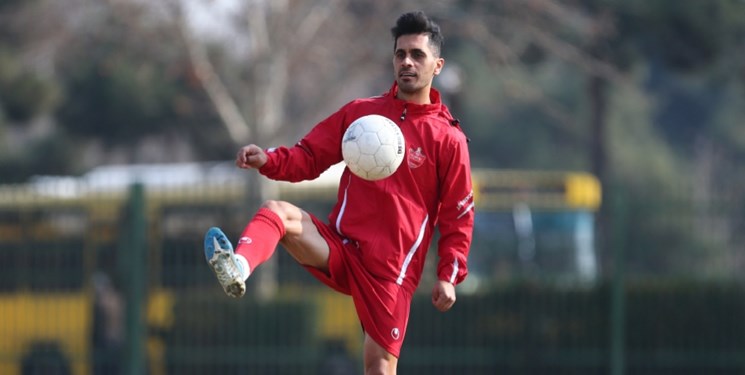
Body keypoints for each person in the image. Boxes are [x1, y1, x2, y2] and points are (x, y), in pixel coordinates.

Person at [203, 10, 474, 375]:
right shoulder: (362, 114)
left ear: (437, 65)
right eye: (400, 54)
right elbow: (311, 155)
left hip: (390, 273)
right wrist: (268, 160)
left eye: (417, 55)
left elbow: (458, 214)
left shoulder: (449, 139)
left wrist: (447, 274)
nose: (406, 62)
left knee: (378, 367)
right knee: (277, 212)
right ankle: (238, 266)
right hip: (341, 246)